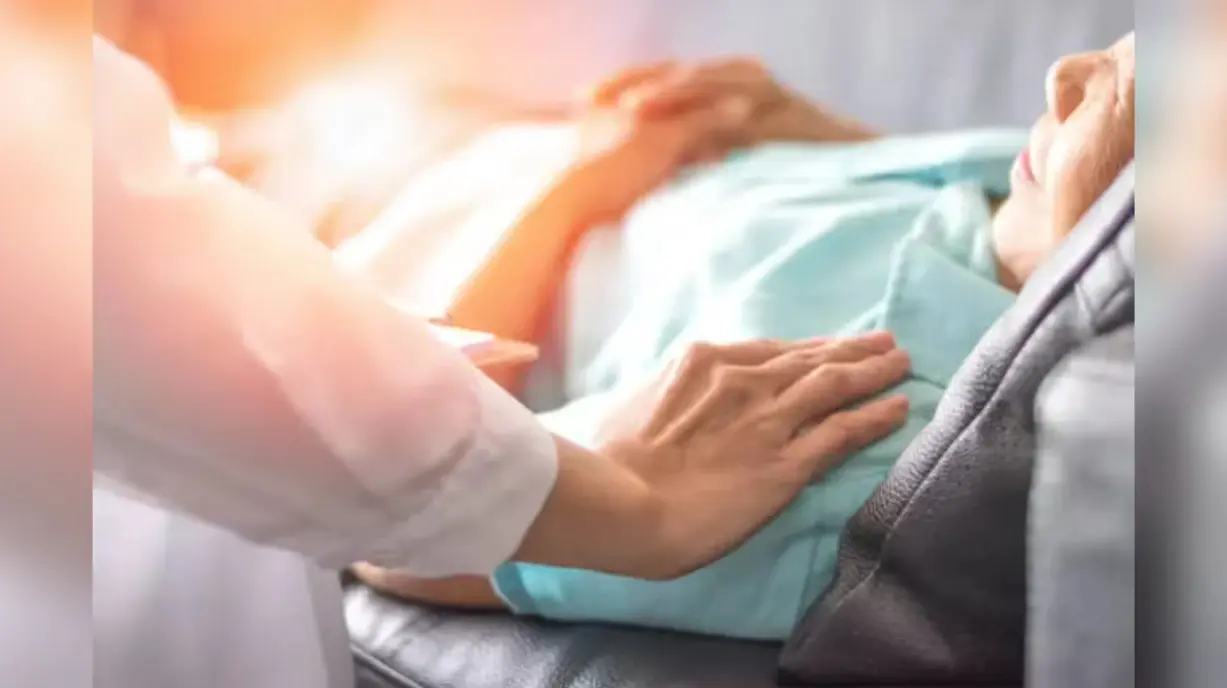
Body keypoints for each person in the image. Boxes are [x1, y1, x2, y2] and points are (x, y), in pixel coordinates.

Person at [82, 19, 914, 688]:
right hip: (431, 157)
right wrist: (853, 155)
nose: (1053, 89)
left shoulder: (876, 415)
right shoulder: (985, 178)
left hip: (378, 210)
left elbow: (398, 493)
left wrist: (573, 188)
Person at [353, 33, 1136, 641]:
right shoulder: (1033, 193)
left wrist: (580, 187)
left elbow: (393, 519)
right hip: (448, 135)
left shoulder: (836, 439)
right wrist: (814, 148)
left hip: (364, 252)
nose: (1066, 73)